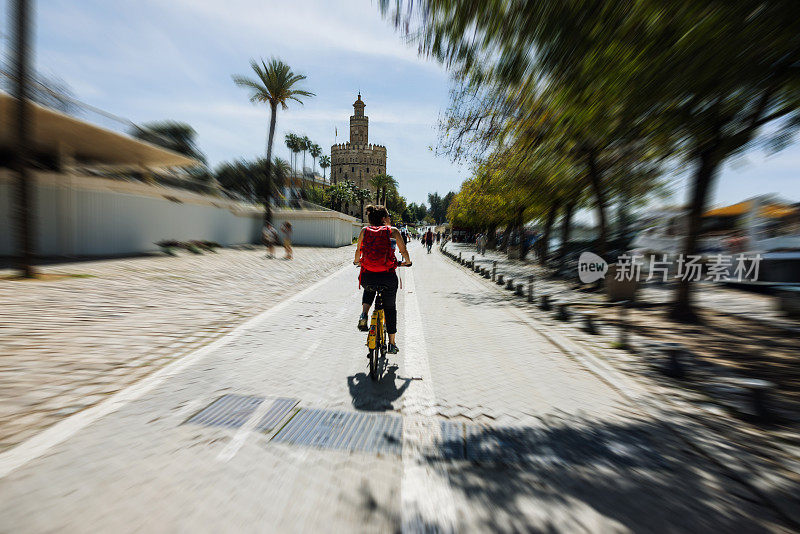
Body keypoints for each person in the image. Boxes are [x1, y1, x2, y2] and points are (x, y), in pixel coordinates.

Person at [354, 205, 411, 354]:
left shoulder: (364, 231)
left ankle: (364, 315)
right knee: (390, 309)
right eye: (388, 216)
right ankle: (392, 343)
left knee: (369, 286)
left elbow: (358, 250)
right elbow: (403, 250)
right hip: (387, 277)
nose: (389, 219)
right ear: (384, 218)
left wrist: (357, 261)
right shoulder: (393, 231)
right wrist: (407, 261)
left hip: (368, 277)